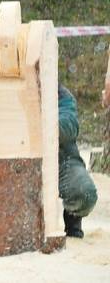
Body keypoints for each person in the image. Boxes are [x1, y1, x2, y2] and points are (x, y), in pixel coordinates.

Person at [57, 86, 98, 238]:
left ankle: (73, 221)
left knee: (85, 193)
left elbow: (70, 125)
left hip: (62, 158)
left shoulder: (61, 94)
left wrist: (43, 127)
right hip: (17, 161)